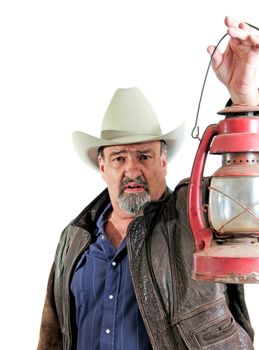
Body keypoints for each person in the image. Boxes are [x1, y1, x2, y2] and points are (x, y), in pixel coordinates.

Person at [37, 16, 259, 350]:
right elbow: (52, 337)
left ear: (164, 160)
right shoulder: (74, 238)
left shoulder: (193, 217)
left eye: (144, 156)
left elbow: (245, 184)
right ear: (102, 165)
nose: (132, 170)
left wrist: (242, 100)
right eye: (119, 158)